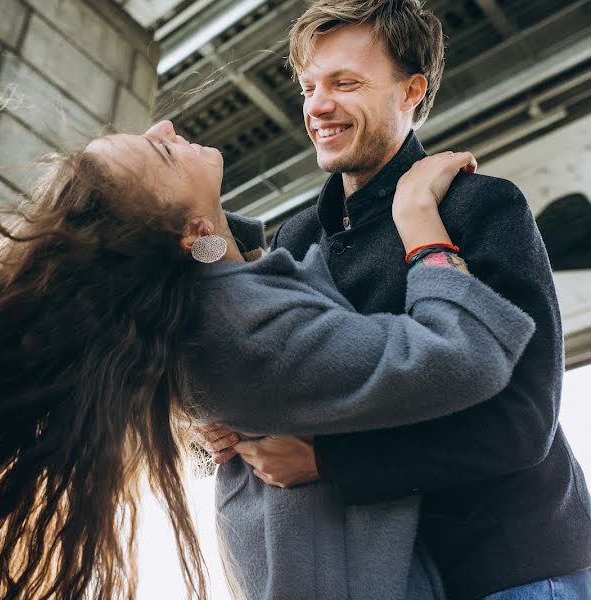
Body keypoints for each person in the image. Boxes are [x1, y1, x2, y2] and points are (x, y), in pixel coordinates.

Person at [0, 116, 531, 600]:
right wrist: (422, 220)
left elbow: (314, 328)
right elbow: (466, 359)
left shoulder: (224, 300)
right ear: (189, 233)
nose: (166, 126)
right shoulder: (234, 324)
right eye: (161, 152)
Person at [199, 1, 591, 598]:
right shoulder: (299, 239)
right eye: (308, 86)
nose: (317, 105)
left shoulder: (479, 205)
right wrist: (228, 433)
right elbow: (299, 389)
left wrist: (330, 463)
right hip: (383, 575)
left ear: (412, 91)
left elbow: (523, 423)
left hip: (511, 565)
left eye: (344, 83)